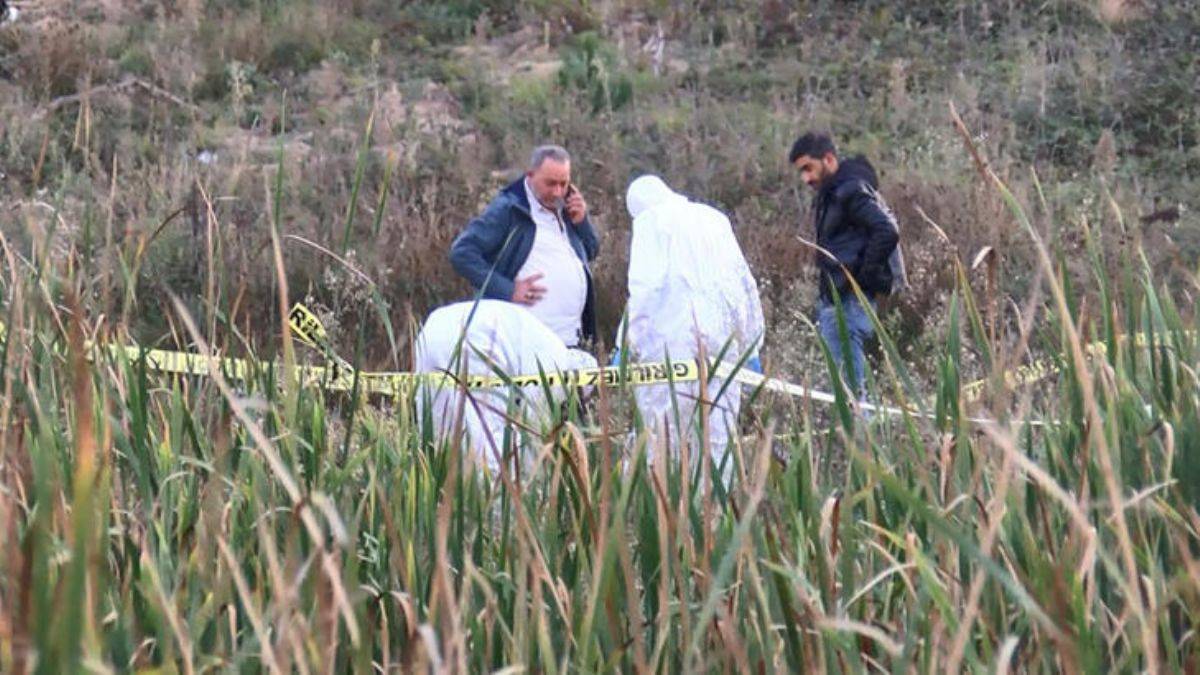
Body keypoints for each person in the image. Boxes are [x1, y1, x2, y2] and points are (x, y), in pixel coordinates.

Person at [620, 175, 764, 476]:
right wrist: (751, 343)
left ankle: (668, 515)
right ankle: (717, 515)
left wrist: (627, 342)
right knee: (717, 437)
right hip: (723, 346)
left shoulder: (651, 222)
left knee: (665, 438)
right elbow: (743, 284)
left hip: (669, 346)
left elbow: (644, 290)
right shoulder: (714, 220)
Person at [414, 300, 598, 473]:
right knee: (489, 449)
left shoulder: (544, 338)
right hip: (477, 340)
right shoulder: (558, 368)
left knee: (437, 437)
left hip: (433, 329)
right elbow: (532, 432)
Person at [789, 132, 905, 398]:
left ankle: (858, 439)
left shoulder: (849, 190)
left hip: (847, 304)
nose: (806, 178)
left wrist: (861, 277)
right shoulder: (837, 192)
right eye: (801, 172)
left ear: (828, 159)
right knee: (850, 389)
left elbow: (886, 230)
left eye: (809, 168)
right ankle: (858, 436)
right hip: (842, 302)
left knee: (850, 395)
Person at [448, 145, 600, 348]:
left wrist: (582, 222)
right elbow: (462, 253)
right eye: (550, 184)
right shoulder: (509, 209)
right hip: (526, 344)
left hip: (572, 341)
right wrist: (508, 290)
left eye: (564, 184)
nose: (557, 192)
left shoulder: (566, 208)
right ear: (530, 175)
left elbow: (590, 252)